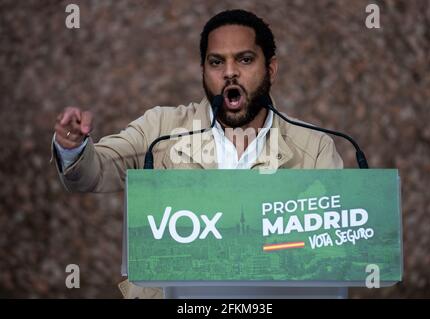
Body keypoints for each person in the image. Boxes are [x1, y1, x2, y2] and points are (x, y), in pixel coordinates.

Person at [52, 9, 344, 298]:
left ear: (270, 69)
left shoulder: (315, 146)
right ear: (203, 70)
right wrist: (73, 146)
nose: (230, 72)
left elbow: (330, 251)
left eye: (244, 59)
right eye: (216, 62)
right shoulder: (160, 129)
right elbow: (95, 172)